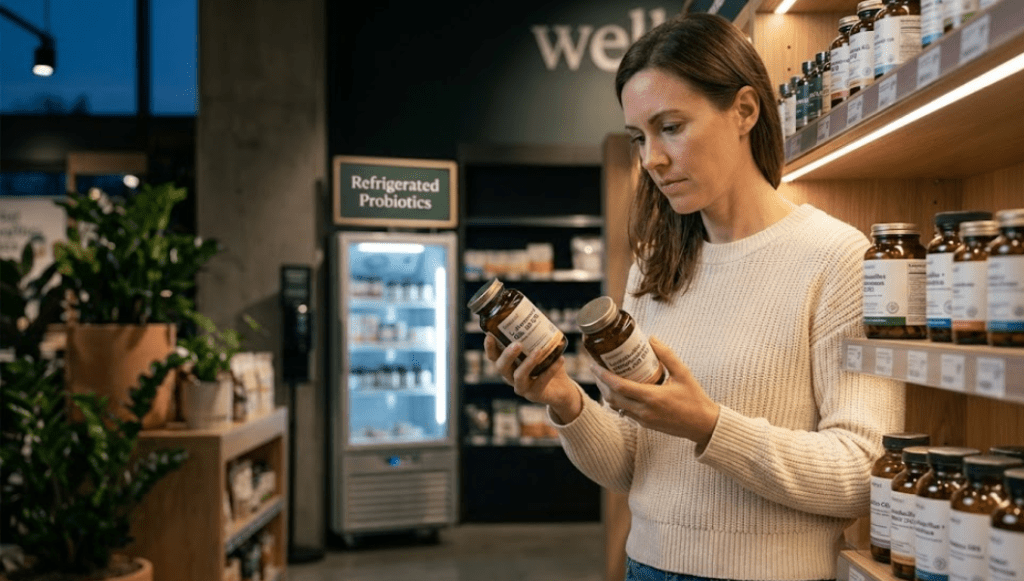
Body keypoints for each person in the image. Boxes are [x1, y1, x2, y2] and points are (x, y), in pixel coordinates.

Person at [483, 12, 905, 581]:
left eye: (671, 127)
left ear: (745, 111)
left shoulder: (835, 259)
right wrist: (564, 399)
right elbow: (633, 463)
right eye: (639, 138)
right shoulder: (655, 267)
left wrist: (710, 426)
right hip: (648, 567)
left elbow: (863, 471)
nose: (651, 159)